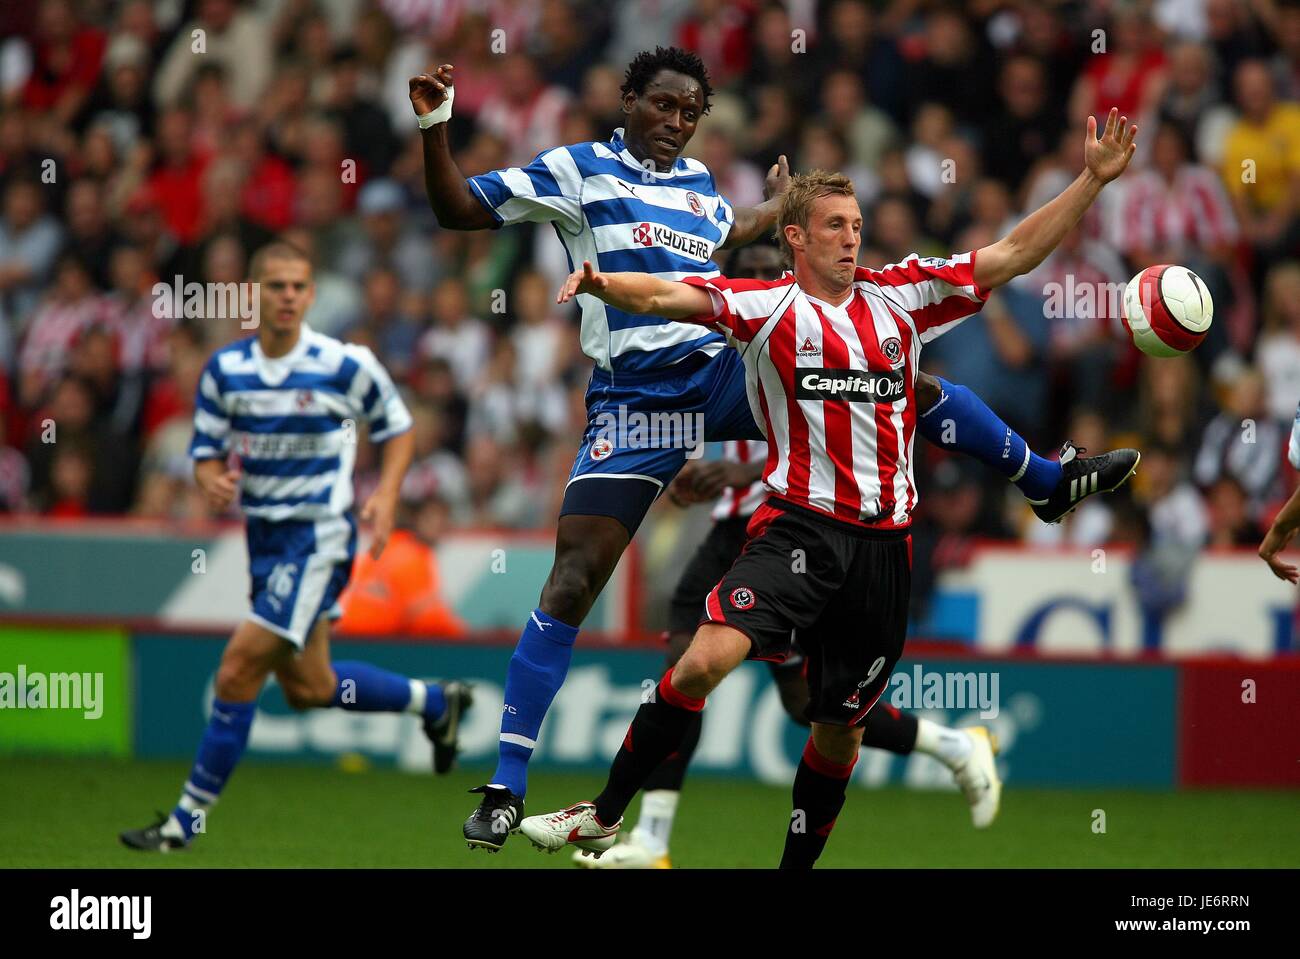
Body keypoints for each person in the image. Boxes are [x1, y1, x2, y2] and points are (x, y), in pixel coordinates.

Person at [411, 46, 1134, 850]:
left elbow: (742, 229)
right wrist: (436, 126)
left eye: (691, 113)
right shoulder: (574, 171)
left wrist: (779, 204)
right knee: (574, 579)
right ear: (629, 99)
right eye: (663, 106)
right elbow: (454, 209)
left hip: (719, 376)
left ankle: (1040, 478)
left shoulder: (699, 191)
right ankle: (510, 784)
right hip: (636, 402)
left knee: (890, 376)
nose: (676, 123)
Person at [581, 243, 1001, 869]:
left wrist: (734, 468)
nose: (749, 277)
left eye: (758, 266)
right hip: (746, 530)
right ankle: (651, 835)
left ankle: (951, 746)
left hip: (806, 530)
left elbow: (828, 423)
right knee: (691, 654)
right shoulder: (746, 315)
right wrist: (691, 460)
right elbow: (749, 407)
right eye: (739, 267)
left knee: (810, 705)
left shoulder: (821, 317)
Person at [120, 242, 472, 852]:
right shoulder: (226, 372)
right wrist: (210, 479)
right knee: (309, 687)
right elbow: (202, 453)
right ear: (253, 294)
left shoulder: (343, 363)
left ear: (310, 295)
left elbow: (398, 427)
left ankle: (184, 823)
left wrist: (387, 498)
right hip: (264, 540)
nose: (287, 296)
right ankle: (436, 702)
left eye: (298, 287)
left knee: (236, 670)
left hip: (319, 537)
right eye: (276, 285)